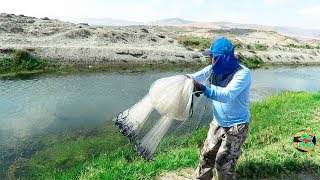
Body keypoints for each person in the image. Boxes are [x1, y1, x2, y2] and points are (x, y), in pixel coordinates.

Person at [186, 37, 251, 180]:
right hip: (217, 122)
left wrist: (202, 88)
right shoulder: (212, 69)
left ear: (220, 58)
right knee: (206, 155)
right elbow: (194, 77)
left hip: (236, 127)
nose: (210, 59)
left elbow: (226, 96)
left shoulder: (242, 73)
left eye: (212, 56)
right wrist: (181, 80)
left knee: (223, 164)